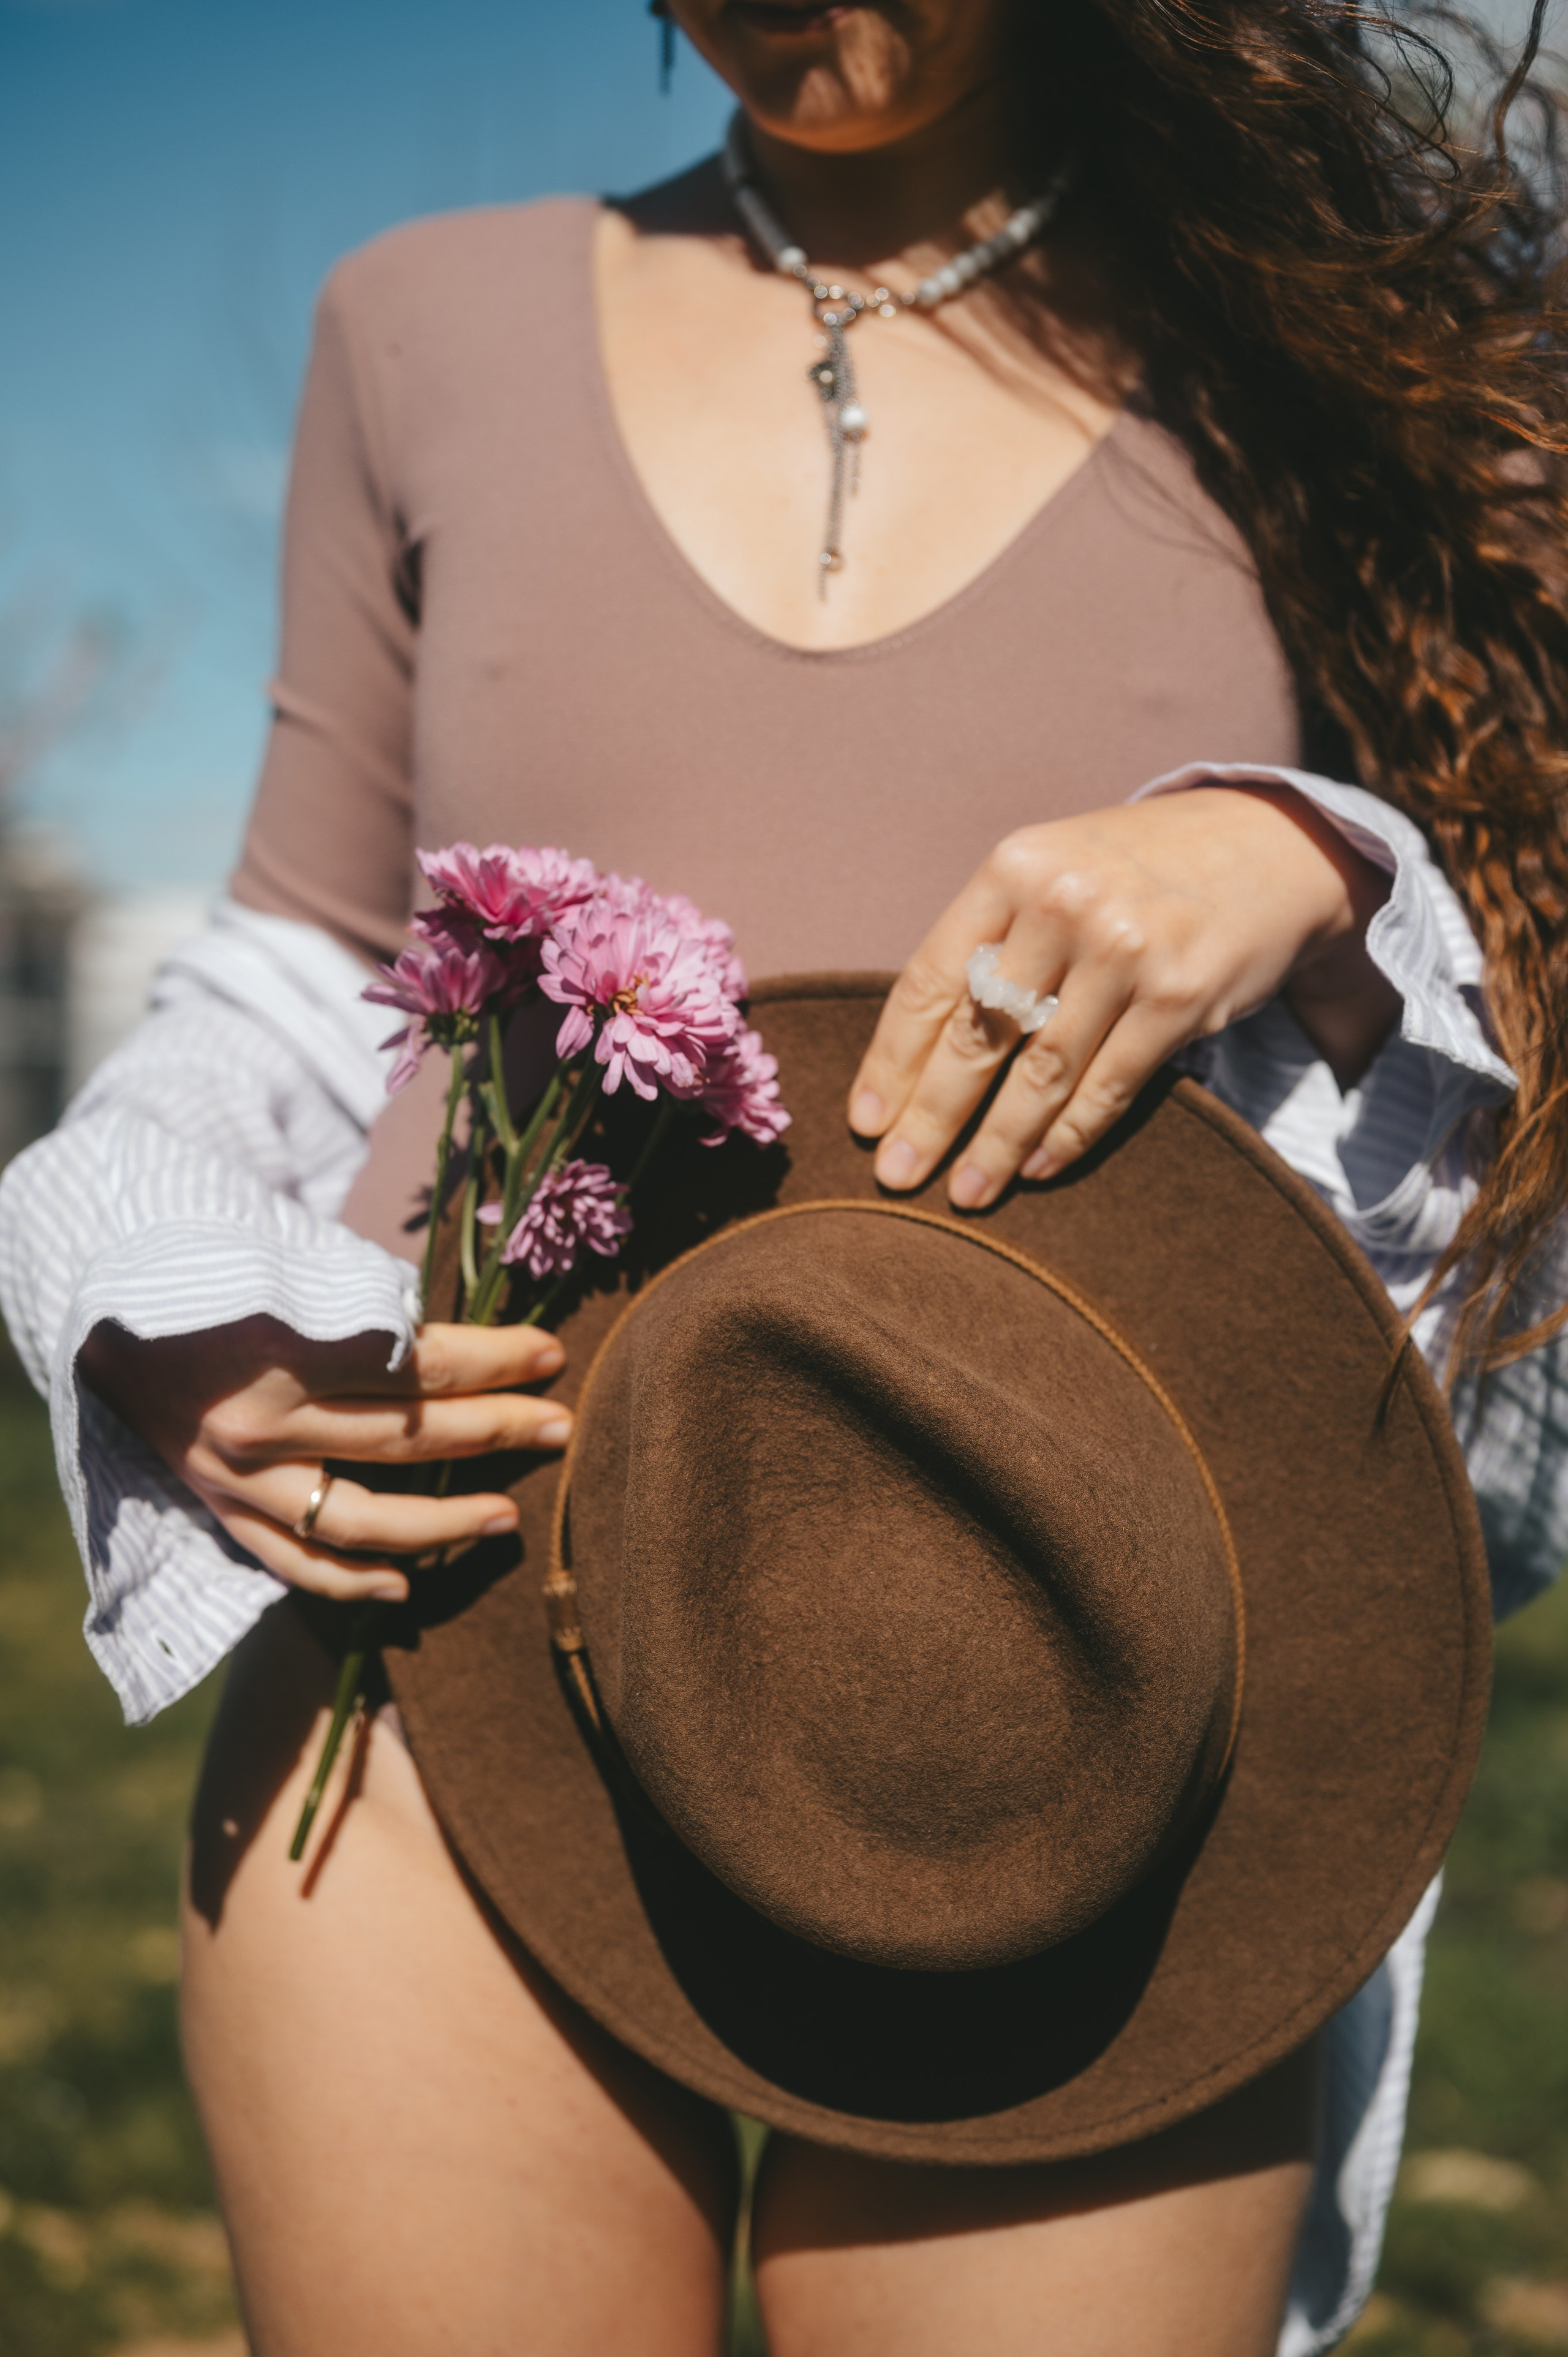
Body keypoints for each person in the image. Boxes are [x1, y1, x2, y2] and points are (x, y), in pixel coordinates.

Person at [2, 0, 1566, 2349]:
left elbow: (1530, 921)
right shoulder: (420, 317)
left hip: (1092, 1717)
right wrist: (141, 1276)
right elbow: (309, 959)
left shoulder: (1316, 316)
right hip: (460, 1635)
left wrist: (1316, 864)